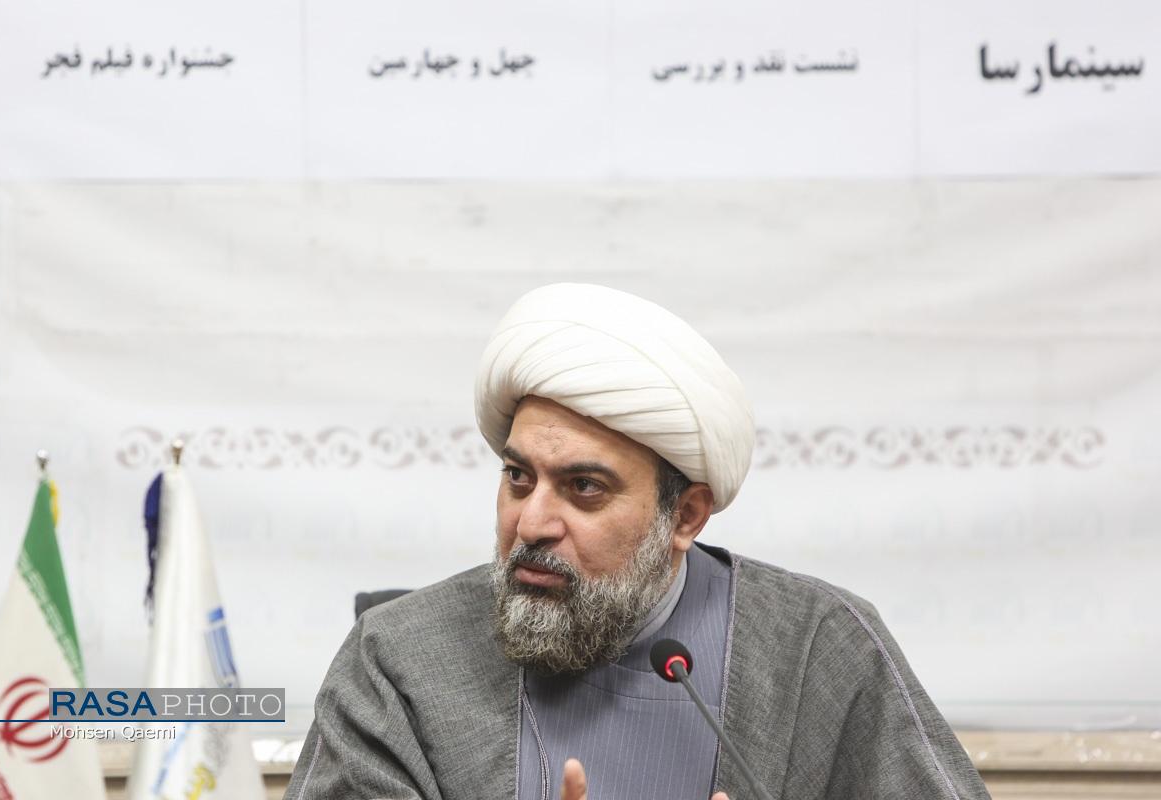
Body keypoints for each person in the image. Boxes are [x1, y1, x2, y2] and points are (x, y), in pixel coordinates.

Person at [285, 284, 990, 800]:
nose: (532, 523)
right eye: (518, 477)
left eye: (584, 487)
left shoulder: (817, 648)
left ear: (686, 516)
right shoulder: (399, 662)